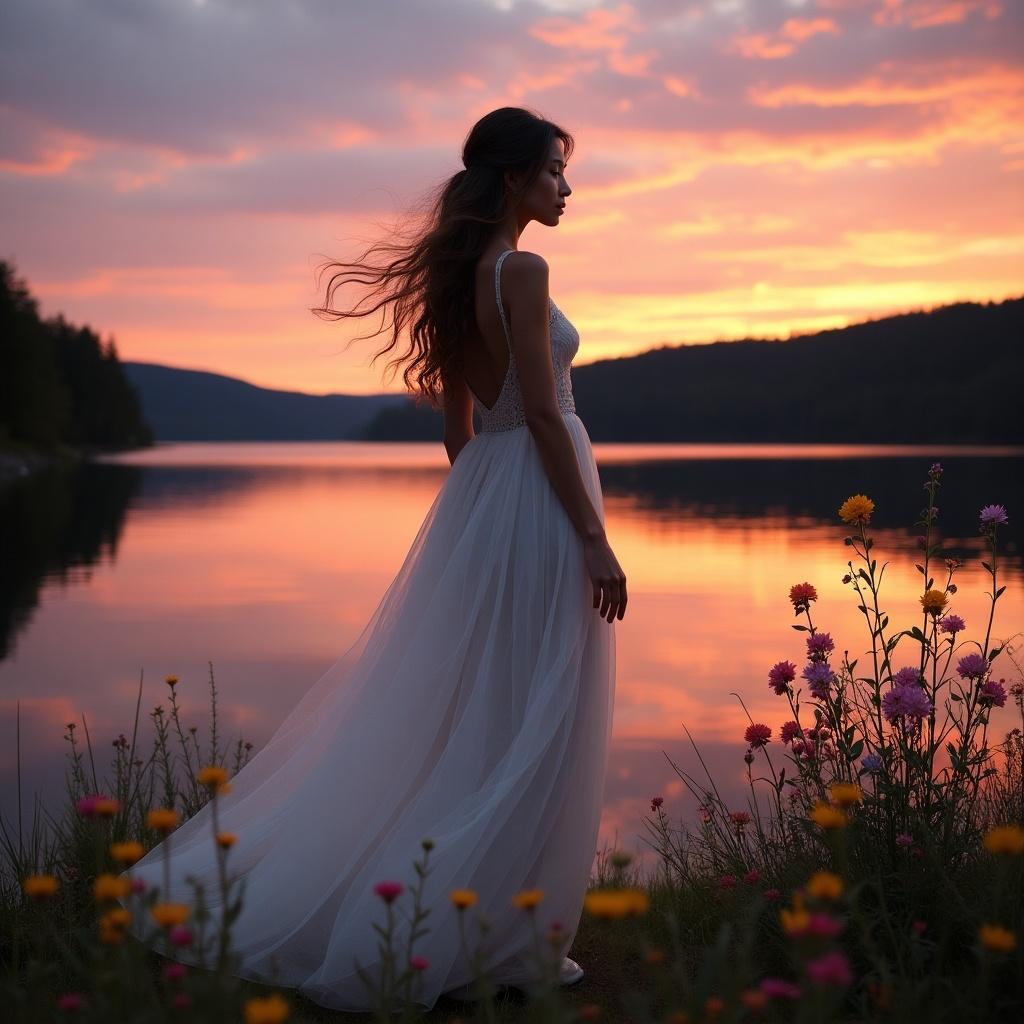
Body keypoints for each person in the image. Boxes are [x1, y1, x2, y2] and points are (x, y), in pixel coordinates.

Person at [117, 105, 626, 1012]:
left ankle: (485, 927)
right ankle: (504, 939)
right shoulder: (524, 268)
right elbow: (544, 414)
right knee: (538, 702)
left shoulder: (461, 273)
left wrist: (487, 516)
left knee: (489, 706)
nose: (566, 186)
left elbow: (461, 428)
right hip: (544, 499)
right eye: (554, 170)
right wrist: (590, 535)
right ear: (514, 179)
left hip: (492, 495)